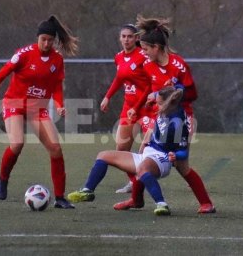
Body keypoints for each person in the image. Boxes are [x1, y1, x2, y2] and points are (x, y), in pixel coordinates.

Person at [114, 15, 215, 214]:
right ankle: (136, 200)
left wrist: (175, 88)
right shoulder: (149, 66)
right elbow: (152, 92)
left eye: (145, 49)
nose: (143, 53)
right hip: (160, 119)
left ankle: (206, 203)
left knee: (180, 164)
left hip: (179, 119)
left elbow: (192, 94)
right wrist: (144, 102)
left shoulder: (178, 65)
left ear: (156, 48)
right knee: (144, 157)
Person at [0, 15, 78, 209]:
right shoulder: (24, 54)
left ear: (54, 40)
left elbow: (57, 85)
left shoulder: (57, 59)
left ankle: (59, 197)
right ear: (37, 38)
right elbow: (2, 74)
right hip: (14, 102)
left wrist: (59, 104)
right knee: (17, 143)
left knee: (56, 149)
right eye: (43, 39)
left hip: (37, 107)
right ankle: (3, 179)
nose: (47, 43)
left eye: (50, 40)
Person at [68, 86, 188, 215]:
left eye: (158, 104)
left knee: (142, 170)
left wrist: (175, 155)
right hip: (148, 155)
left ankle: (161, 204)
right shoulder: (165, 108)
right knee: (103, 155)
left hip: (162, 159)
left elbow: (184, 151)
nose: (155, 106)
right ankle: (87, 191)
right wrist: (153, 95)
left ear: (168, 103)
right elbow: (168, 92)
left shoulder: (178, 122)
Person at [99, 24, 153, 194]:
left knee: (147, 150)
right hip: (128, 108)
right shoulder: (119, 57)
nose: (126, 39)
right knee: (121, 149)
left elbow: (150, 84)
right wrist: (107, 96)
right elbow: (119, 78)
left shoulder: (143, 56)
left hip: (146, 108)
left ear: (136, 38)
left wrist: (138, 107)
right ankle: (134, 182)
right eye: (123, 36)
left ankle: (145, 181)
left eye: (130, 36)